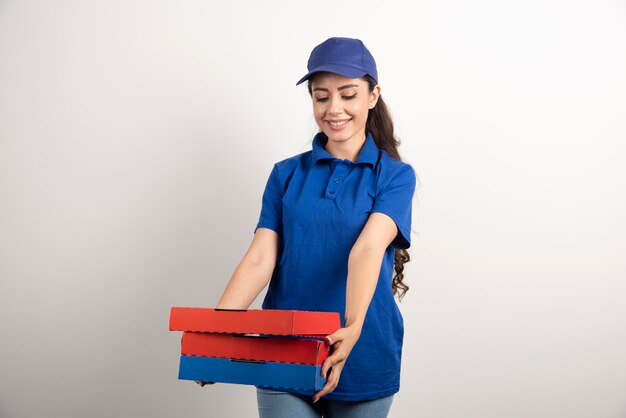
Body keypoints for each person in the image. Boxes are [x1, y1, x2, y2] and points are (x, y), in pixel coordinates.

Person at [204, 37, 417, 418]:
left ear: (373, 95)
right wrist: (213, 335)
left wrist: (351, 329)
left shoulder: (396, 177)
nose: (334, 109)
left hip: (364, 350)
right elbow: (259, 258)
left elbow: (367, 250)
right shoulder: (285, 174)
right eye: (321, 97)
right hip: (285, 350)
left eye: (348, 94)